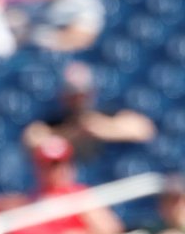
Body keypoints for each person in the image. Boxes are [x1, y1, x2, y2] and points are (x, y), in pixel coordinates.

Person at [20, 60, 158, 168]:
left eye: (82, 94)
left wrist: (102, 129)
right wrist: (74, 133)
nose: (78, 100)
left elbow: (145, 129)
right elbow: (32, 138)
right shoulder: (55, 122)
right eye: (73, 95)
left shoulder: (106, 115)